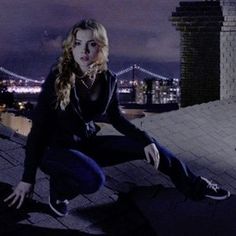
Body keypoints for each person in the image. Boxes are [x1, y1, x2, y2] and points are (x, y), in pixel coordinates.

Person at [4, 19, 230, 217]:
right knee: (94, 180)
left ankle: (195, 185)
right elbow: (39, 130)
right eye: (78, 43)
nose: (84, 50)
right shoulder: (58, 78)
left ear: (100, 48)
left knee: (151, 147)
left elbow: (117, 119)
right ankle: (60, 189)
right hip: (55, 150)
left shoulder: (109, 80)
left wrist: (145, 140)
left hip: (86, 143)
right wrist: (27, 179)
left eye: (91, 44)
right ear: (71, 48)